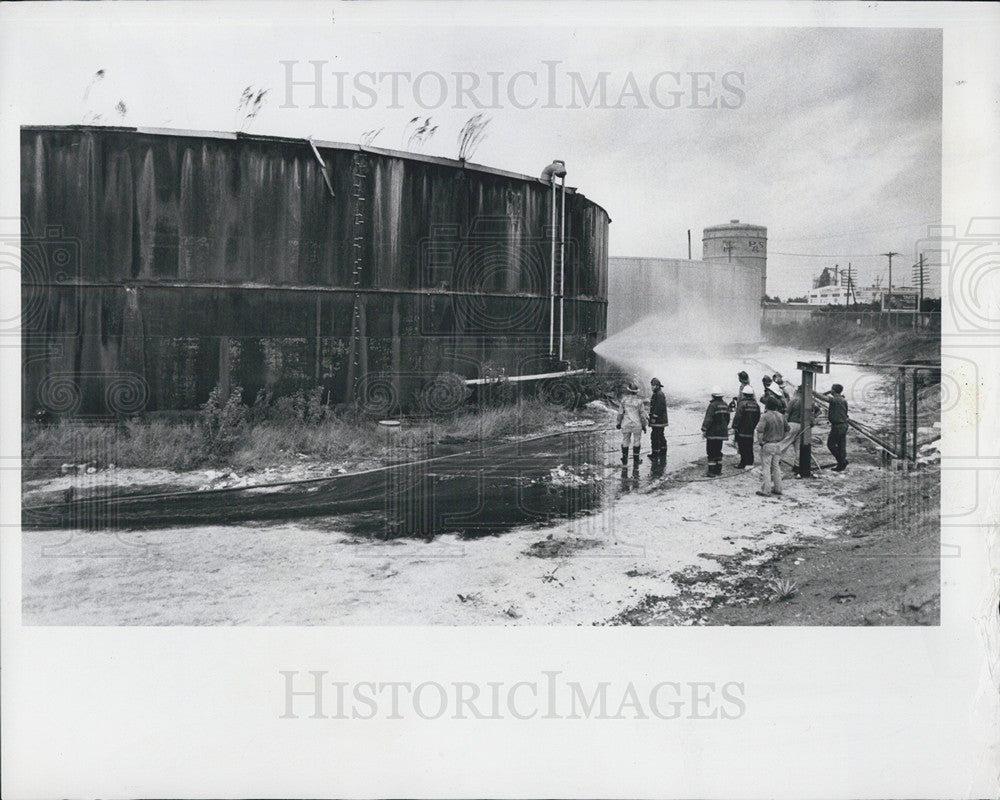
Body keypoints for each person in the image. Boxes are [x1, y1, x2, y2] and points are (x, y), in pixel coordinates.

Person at [755, 395, 790, 496]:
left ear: (767, 406)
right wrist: (782, 439)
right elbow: (788, 430)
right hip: (778, 444)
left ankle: (766, 490)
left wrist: (761, 442)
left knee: (766, 468)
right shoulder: (781, 416)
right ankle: (778, 488)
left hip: (768, 444)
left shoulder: (765, 416)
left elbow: (760, 431)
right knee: (776, 467)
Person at [817, 383, 850, 470]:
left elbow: (821, 397)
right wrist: (830, 391)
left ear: (834, 390)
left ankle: (842, 462)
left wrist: (812, 391)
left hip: (837, 426)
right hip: (844, 425)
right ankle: (842, 463)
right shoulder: (843, 400)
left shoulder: (835, 400)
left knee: (831, 444)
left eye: (831, 389)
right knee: (841, 445)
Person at [616, 381, 647, 466]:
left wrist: (618, 423)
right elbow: (642, 415)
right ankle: (636, 460)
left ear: (628, 391)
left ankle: (624, 459)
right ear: (636, 392)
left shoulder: (624, 400)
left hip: (626, 424)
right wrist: (644, 425)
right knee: (637, 440)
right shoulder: (639, 402)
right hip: (637, 424)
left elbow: (620, 413)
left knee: (625, 440)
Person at [701, 387, 731, 477]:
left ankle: (711, 471)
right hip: (721, 433)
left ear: (713, 396)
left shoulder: (713, 405)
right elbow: (728, 419)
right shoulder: (725, 405)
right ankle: (718, 470)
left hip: (712, 433)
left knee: (711, 452)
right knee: (718, 451)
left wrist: (704, 429)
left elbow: (708, 419)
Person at [731, 385, 761, 468]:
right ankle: (750, 462)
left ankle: (742, 463)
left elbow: (738, 416)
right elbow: (758, 417)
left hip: (742, 430)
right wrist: (753, 425)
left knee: (742, 446)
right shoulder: (756, 405)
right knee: (749, 446)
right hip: (750, 430)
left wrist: (735, 426)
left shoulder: (742, 404)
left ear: (744, 394)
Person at [648, 377, 668, 463]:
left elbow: (658, 408)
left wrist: (653, 418)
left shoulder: (659, 394)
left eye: (653, 385)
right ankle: (663, 452)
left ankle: (655, 454)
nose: (652, 387)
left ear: (657, 386)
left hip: (658, 421)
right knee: (660, 435)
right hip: (661, 420)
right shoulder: (658, 393)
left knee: (655, 436)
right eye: (651, 385)